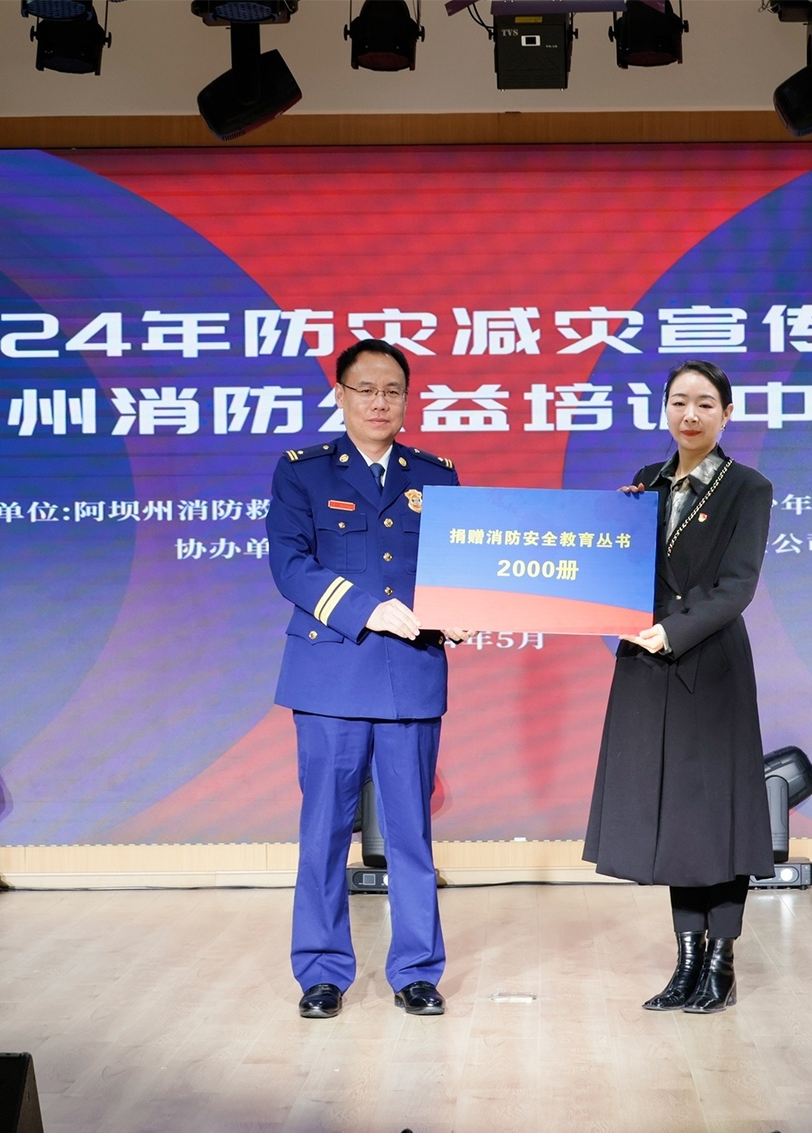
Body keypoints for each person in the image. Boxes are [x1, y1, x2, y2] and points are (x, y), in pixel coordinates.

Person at [266, 338, 469, 1020]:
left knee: (411, 834)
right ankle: (322, 971)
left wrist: (464, 611)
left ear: (407, 400)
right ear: (341, 395)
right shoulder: (303, 472)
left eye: (393, 391)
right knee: (325, 832)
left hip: (411, 674)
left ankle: (416, 971)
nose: (380, 402)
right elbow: (291, 565)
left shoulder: (436, 476)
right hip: (331, 675)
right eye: (366, 389)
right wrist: (365, 608)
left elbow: (455, 567)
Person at [582, 359, 775, 1015]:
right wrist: (616, 532)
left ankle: (721, 962)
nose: (690, 415)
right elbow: (621, 569)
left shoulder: (747, 487)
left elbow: (737, 586)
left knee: (716, 816)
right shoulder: (646, 482)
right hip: (647, 665)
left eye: (705, 403)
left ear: (726, 413)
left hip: (707, 663)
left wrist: (673, 631)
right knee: (674, 819)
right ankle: (686, 961)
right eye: (678, 402)